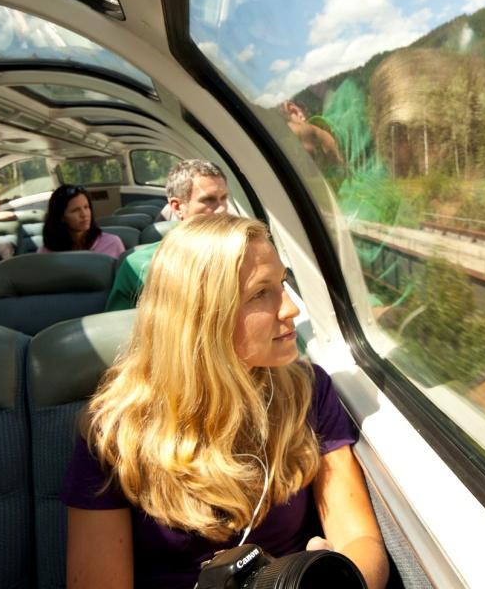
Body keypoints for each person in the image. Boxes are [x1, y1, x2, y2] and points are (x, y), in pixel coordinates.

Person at [64, 215, 388, 588]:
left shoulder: (308, 391)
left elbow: (360, 539)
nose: (291, 309)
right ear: (202, 315)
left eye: (282, 284)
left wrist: (332, 581)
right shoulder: (116, 431)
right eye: (260, 293)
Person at [104, 159, 229, 310]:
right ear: (177, 207)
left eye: (224, 198)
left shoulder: (243, 255)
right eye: (209, 200)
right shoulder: (140, 265)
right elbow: (119, 327)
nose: (222, 209)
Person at [40, 184, 124, 258]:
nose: (84, 214)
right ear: (61, 217)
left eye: (86, 207)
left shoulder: (112, 243)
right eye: (75, 210)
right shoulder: (46, 252)